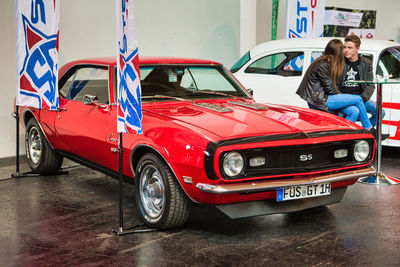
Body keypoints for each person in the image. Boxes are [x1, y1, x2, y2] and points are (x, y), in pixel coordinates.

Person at [296, 39, 374, 131]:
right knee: (357, 99)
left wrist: (344, 98)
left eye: (348, 48)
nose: (345, 51)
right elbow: (330, 89)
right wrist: (345, 98)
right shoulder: (323, 64)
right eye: (343, 48)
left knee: (354, 111)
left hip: (325, 97)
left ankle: (343, 135)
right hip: (321, 99)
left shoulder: (328, 62)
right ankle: (368, 128)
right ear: (338, 51)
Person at [338, 35, 387, 130]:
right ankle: (368, 131)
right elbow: (334, 84)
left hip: (360, 97)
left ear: (357, 49)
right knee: (354, 111)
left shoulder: (366, 63)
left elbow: (370, 85)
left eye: (350, 48)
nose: (346, 50)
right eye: (345, 47)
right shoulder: (340, 62)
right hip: (344, 98)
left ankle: (362, 131)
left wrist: (362, 99)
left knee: (381, 112)